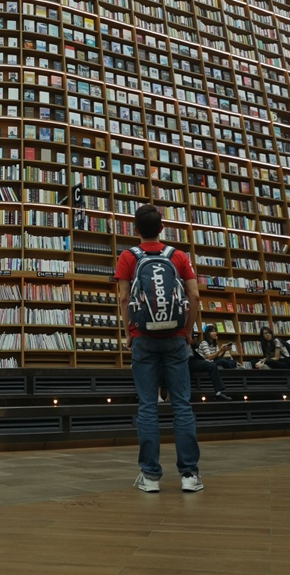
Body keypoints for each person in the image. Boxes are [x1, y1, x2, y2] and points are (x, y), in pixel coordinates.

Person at [115, 204, 203, 493]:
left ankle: (150, 476)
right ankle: (189, 475)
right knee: (181, 404)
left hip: (143, 337)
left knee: (148, 406)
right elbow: (194, 294)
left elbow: (125, 298)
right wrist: (187, 332)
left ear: (135, 229)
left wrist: (129, 332)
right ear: (162, 228)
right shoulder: (177, 256)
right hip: (176, 338)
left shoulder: (128, 257)